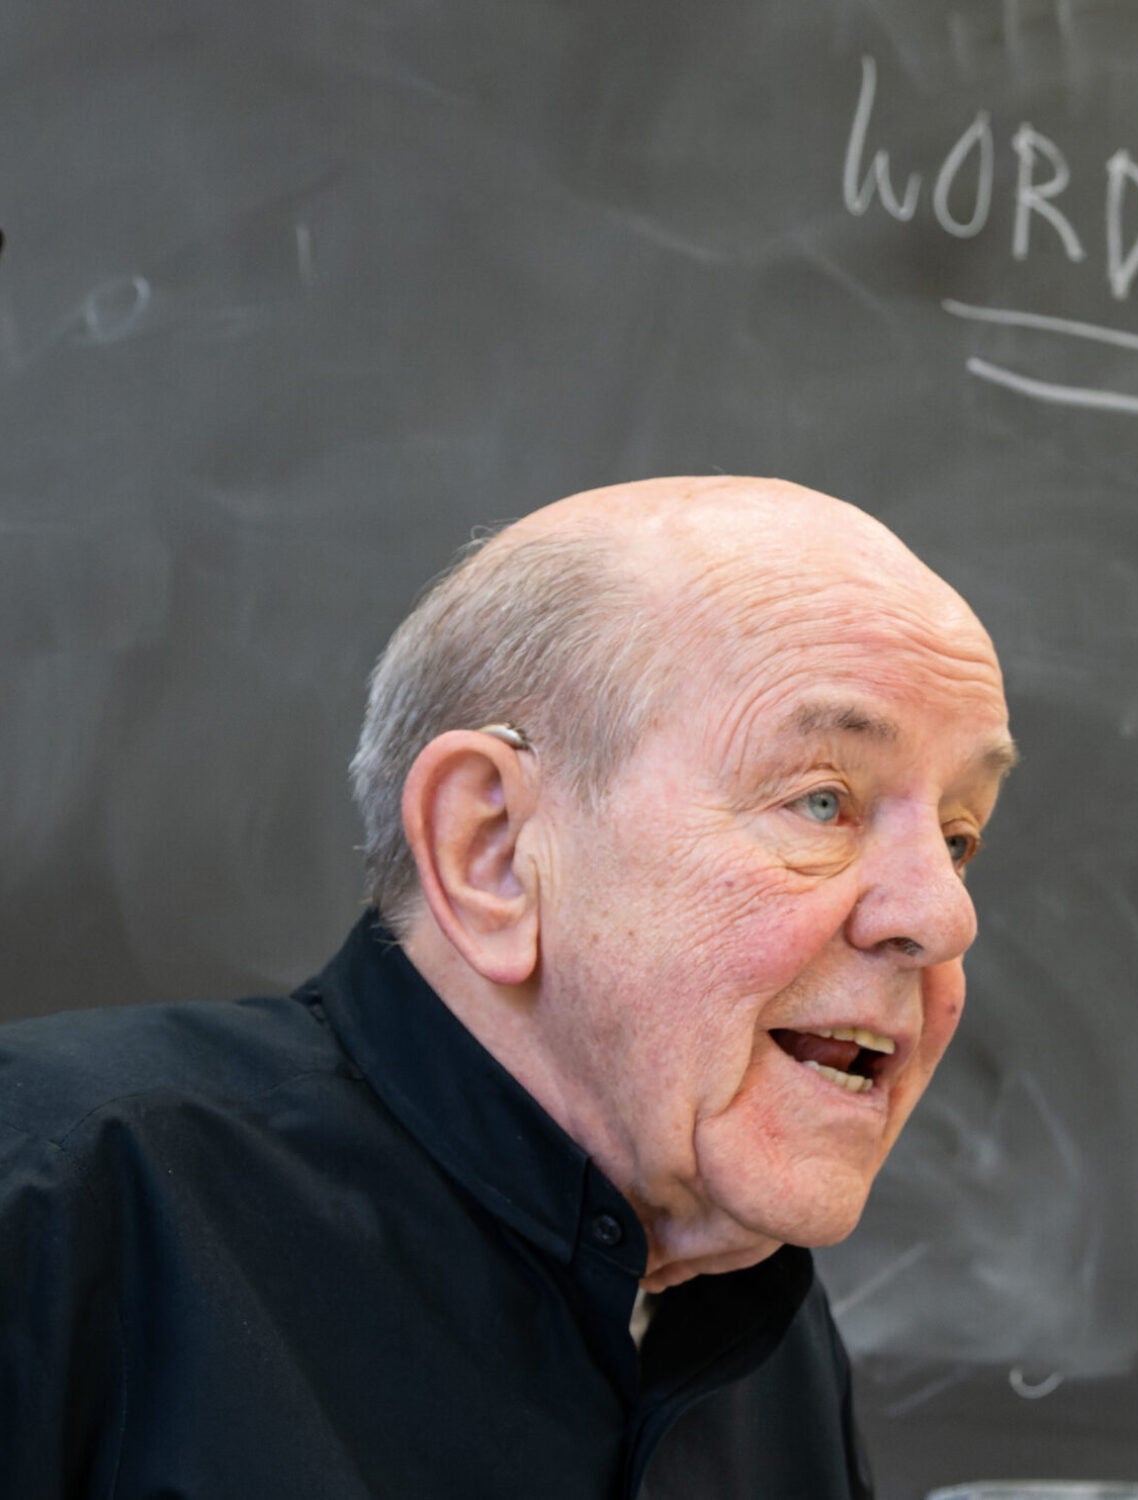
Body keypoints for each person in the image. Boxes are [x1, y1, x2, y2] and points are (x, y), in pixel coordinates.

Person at [0, 476, 1017, 1498]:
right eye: (823, 802)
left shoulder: (764, 1340)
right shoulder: (61, 1199)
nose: (942, 917)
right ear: (491, 849)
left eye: (958, 837)